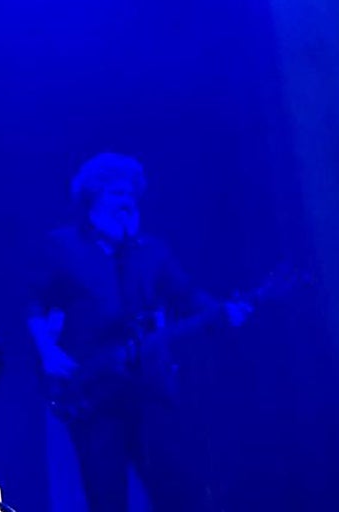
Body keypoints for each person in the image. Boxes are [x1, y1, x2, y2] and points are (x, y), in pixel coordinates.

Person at [26, 153, 249, 512]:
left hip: (149, 387)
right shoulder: (63, 246)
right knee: (106, 494)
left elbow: (186, 295)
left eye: (131, 194)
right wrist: (50, 354)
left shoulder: (151, 251)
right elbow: (34, 304)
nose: (127, 201)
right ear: (92, 197)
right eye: (116, 193)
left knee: (173, 488)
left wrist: (223, 312)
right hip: (93, 388)